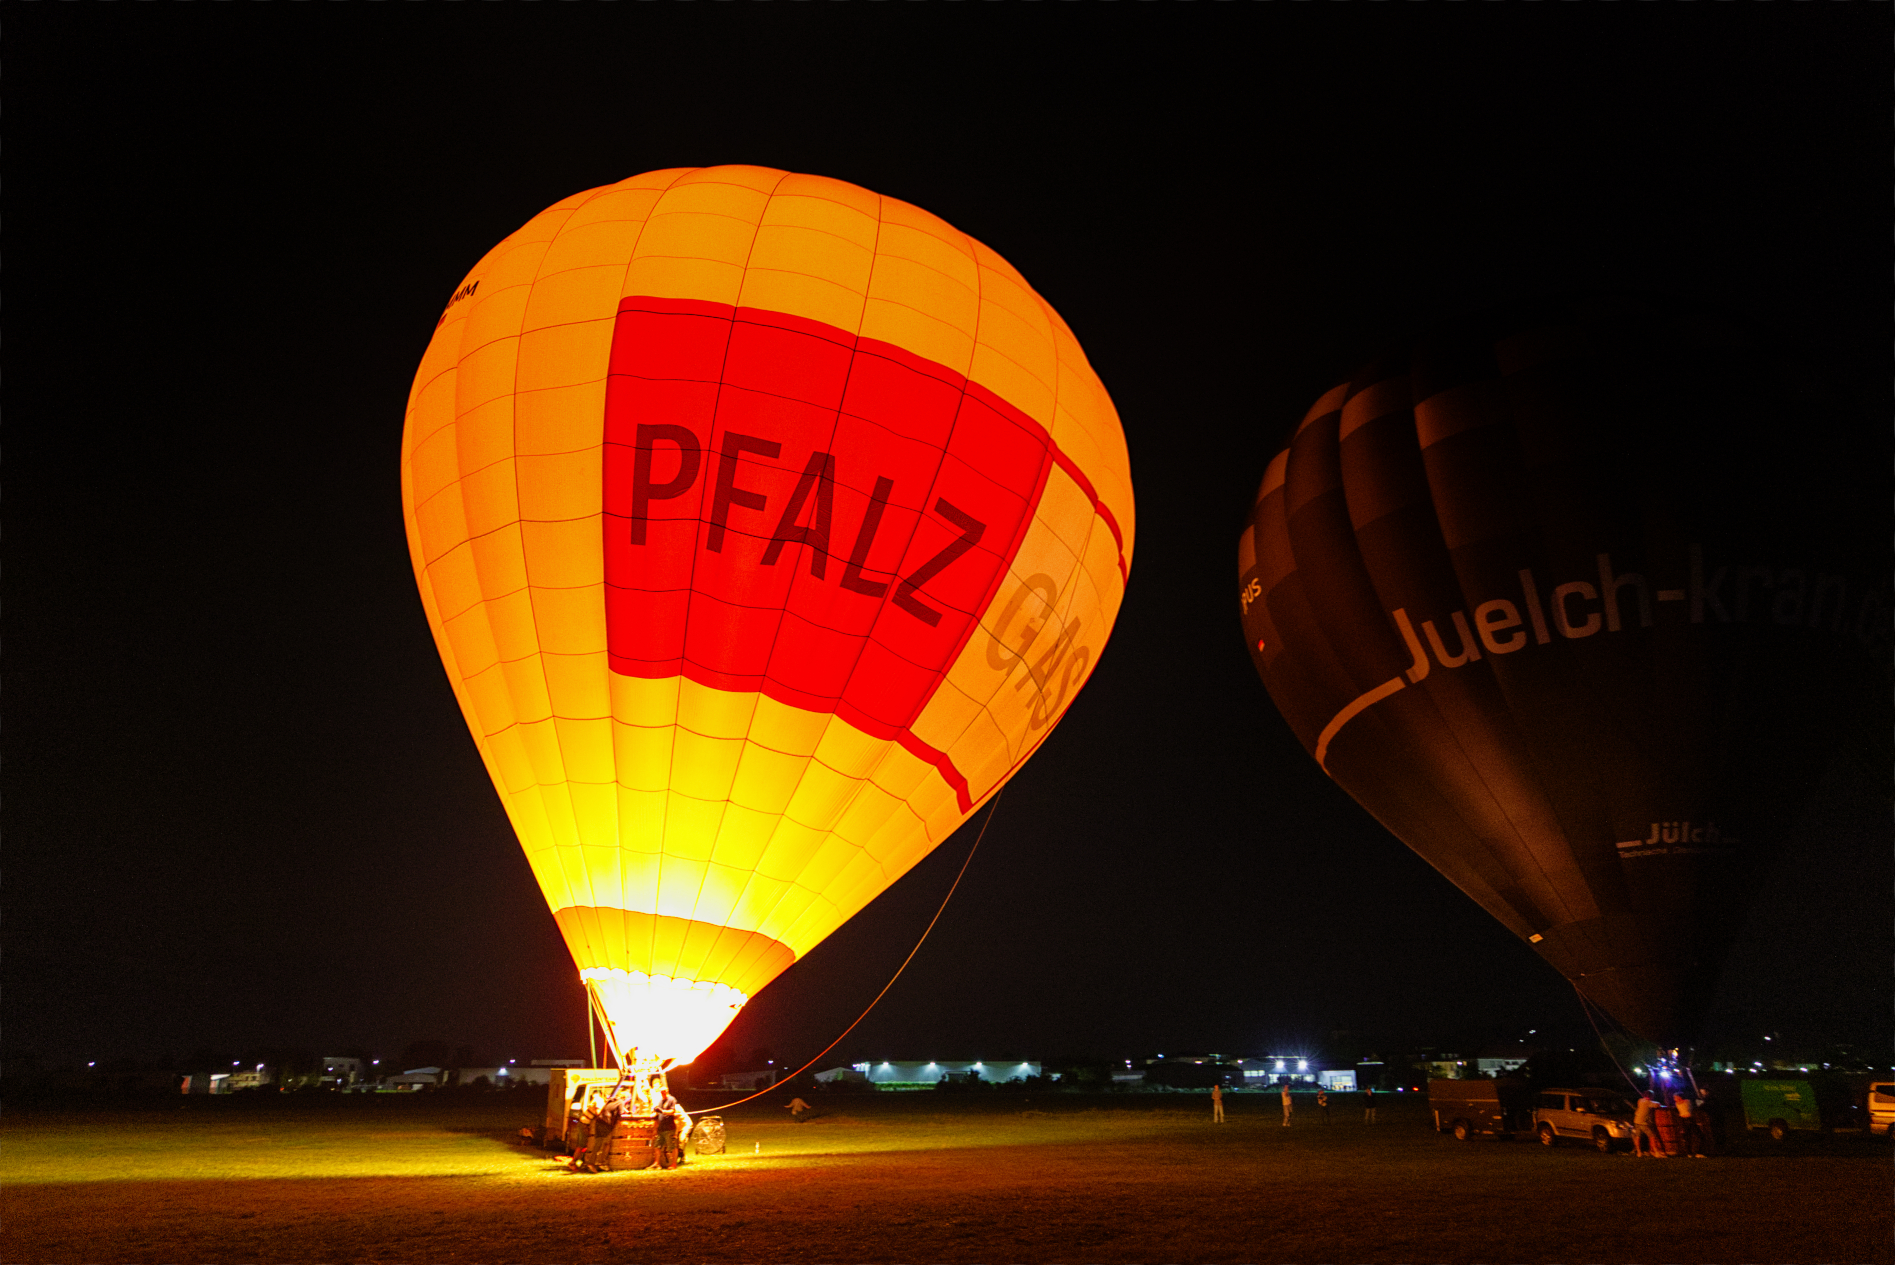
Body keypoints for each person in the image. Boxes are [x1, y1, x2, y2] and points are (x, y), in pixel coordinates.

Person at [1632, 1090, 1667, 1158]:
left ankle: (1639, 1152)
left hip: (1636, 1121)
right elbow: (1657, 1104)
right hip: (1643, 1122)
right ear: (1651, 1096)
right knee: (1652, 1136)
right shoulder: (1649, 1102)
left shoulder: (1640, 1100)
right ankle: (1656, 1152)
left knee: (1638, 1137)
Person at [1672, 1089, 1703, 1158]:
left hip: (1686, 1120)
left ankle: (1690, 1153)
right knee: (1695, 1136)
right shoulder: (1686, 1101)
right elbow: (1695, 1104)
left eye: (1675, 1097)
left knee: (1688, 1137)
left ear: (1679, 1097)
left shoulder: (1684, 1102)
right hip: (1687, 1120)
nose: (1674, 1099)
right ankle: (1696, 1152)